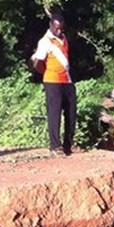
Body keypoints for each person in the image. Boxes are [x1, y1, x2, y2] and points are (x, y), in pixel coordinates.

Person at [30, 11, 76, 157]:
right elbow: (37, 63)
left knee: (71, 112)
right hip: (52, 81)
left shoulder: (64, 38)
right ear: (50, 25)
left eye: (61, 28)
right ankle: (55, 146)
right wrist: (46, 72)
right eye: (56, 28)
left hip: (67, 80)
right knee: (54, 113)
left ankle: (68, 144)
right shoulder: (45, 41)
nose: (59, 31)